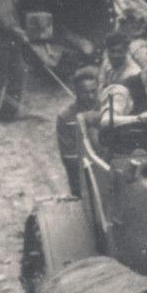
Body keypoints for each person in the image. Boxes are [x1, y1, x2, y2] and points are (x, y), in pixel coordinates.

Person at [56, 66, 100, 196]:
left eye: (94, 91)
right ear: (76, 92)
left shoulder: (106, 109)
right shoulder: (66, 117)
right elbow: (69, 157)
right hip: (82, 180)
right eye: (85, 92)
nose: (91, 96)